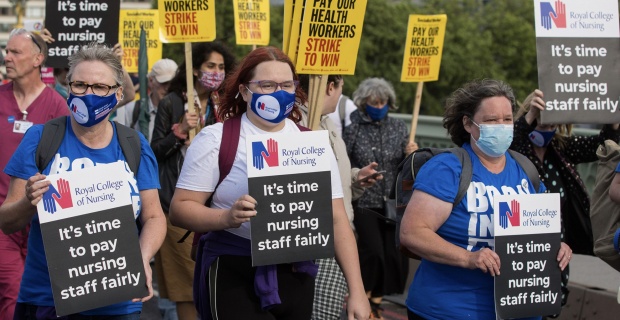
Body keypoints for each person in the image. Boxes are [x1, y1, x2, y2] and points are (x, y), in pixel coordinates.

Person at [168, 46, 371, 320]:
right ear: (244, 90)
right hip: (234, 271)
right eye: (266, 84)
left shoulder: (312, 143)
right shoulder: (216, 139)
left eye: (287, 84)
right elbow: (180, 209)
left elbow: (336, 219)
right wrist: (226, 217)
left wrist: (357, 289)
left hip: (297, 274)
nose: (279, 92)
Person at [0, 42, 166, 318]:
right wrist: (29, 201)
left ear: (118, 94)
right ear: (68, 88)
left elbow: (154, 217)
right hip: (48, 299)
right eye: (79, 85)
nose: (89, 94)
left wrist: (142, 258)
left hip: (120, 298)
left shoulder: (133, 144)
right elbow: (7, 221)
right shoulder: (41, 139)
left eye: (100, 87)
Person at [399, 79, 573, 320]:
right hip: (449, 310)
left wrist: (557, 248)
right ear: (468, 123)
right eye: (492, 120)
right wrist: (469, 258)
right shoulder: (448, 168)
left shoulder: (526, 170)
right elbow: (412, 233)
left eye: (507, 119)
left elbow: (541, 234)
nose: (501, 126)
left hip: (519, 311)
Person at [510, 89, 620, 313]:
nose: (548, 131)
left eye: (553, 126)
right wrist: (530, 116)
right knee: (520, 298)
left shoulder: (560, 150)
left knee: (550, 300)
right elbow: (508, 143)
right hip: (523, 239)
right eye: (542, 125)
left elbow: (601, 144)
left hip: (558, 242)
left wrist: (612, 124)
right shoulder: (515, 150)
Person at [150, 42, 235, 320]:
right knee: (185, 285)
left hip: (217, 204)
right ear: (196, 68)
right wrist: (181, 131)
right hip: (178, 204)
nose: (217, 72)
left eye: (221, 67)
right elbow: (155, 151)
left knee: (210, 280)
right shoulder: (172, 102)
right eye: (211, 66)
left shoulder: (222, 104)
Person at [0, 28, 69, 320]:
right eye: (7, 51)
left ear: (38, 58)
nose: (7, 57)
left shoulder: (57, 105)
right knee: (12, 295)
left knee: (39, 302)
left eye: (15, 52)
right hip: (3, 219)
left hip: (43, 224)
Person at [299, 74, 381, 319]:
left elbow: (334, 183)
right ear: (331, 86)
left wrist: (356, 179)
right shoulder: (295, 125)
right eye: (342, 87)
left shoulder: (328, 125)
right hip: (317, 242)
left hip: (338, 237)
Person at [342, 77, 417, 319]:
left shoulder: (398, 127)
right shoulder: (353, 128)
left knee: (393, 255)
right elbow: (344, 162)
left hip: (391, 201)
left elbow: (408, 167)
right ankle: (361, 297)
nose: (379, 105)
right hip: (364, 200)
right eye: (374, 101)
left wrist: (411, 154)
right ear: (364, 103)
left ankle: (374, 302)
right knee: (372, 252)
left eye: (383, 101)